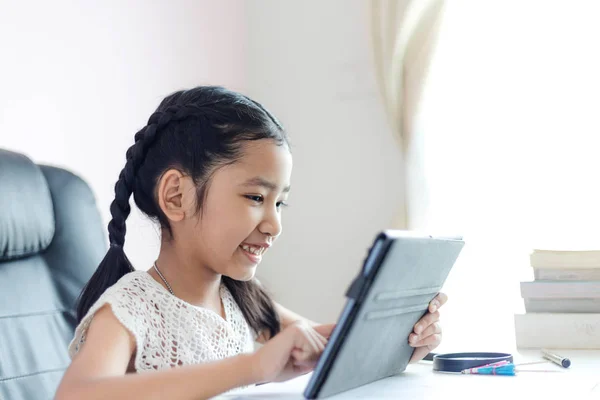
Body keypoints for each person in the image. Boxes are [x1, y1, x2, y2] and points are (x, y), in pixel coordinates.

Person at [55, 86, 447, 400]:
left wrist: (402, 342)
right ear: (176, 196)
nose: (275, 224)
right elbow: (77, 395)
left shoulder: (243, 298)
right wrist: (254, 366)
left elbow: (334, 347)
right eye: (256, 198)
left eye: (280, 202)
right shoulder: (131, 307)